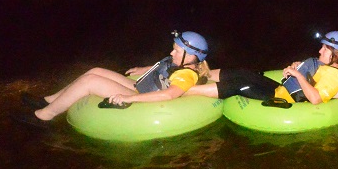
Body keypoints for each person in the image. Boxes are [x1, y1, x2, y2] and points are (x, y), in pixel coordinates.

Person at [17, 30, 211, 124]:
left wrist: (130, 97)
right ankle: (48, 101)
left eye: (177, 50)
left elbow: (169, 95)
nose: (172, 52)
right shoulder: (179, 61)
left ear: (191, 56)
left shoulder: (186, 74)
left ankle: (44, 116)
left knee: (89, 82)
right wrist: (142, 69)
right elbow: (163, 66)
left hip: (142, 96)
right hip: (141, 86)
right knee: (95, 70)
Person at [186, 30, 338, 104]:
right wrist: (297, 69)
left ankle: (187, 89)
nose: (320, 50)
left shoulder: (334, 76)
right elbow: (309, 74)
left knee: (239, 85)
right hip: (282, 88)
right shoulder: (324, 66)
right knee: (244, 72)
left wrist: (297, 76)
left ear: (335, 54)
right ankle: (203, 73)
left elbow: (315, 98)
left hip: (285, 98)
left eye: (324, 48)